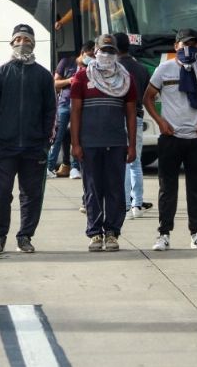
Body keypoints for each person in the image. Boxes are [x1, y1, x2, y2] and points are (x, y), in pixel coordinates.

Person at [144, 29, 197, 251]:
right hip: (171, 137)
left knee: (196, 188)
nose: (190, 48)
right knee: (167, 188)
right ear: (176, 46)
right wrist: (159, 121)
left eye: (194, 45)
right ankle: (163, 233)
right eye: (186, 44)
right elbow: (148, 97)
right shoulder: (164, 69)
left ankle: (196, 232)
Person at [0, 24, 56, 255]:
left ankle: (25, 236)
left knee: (32, 195)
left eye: (26, 39)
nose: (22, 43)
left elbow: (50, 112)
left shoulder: (44, 76)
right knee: (2, 193)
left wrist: (46, 143)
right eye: (18, 39)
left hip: (34, 148)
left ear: (33, 43)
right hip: (4, 147)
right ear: (11, 43)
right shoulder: (0, 74)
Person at [70, 34, 137, 252]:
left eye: (110, 51)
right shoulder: (81, 77)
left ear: (116, 53)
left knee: (115, 190)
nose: (106, 54)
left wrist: (132, 145)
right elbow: (75, 112)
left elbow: (130, 114)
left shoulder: (126, 79)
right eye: (103, 50)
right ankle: (95, 233)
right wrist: (75, 144)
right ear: (95, 52)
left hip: (116, 143)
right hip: (90, 144)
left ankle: (112, 232)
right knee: (93, 189)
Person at [114, 32, 150, 219]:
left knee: (122, 161)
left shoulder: (114, 67)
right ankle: (137, 203)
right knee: (135, 162)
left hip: (118, 116)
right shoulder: (141, 68)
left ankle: (126, 205)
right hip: (137, 114)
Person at [46, 42, 90, 179]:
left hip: (79, 106)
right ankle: (49, 167)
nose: (91, 59)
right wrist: (69, 81)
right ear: (82, 53)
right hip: (64, 105)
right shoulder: (67, 62)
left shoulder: (89, 67)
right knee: (58, 137)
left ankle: (74, 168)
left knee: (76, 137)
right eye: (89, 55)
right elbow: (55, 83)